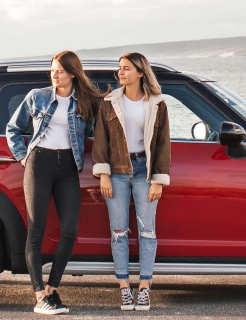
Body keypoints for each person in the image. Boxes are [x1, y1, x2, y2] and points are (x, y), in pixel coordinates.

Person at [6, 50, 103, 315]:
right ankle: (39, 295)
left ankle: (52, 288)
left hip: (68, 167)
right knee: (36, 230)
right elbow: (13, 128)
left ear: (73, 72)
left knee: (70, 229)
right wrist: (24, 157)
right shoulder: (37, 97)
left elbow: (92, 132)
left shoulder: (83, 102)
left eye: (59, 70)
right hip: (39, 163)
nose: (54, 74)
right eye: (52, 70)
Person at [92, 52, 171, 311]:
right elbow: (100, 140)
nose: (120, 73)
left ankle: (145, 287)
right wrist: (103, 174)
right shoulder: (109, 102)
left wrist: (158, 179)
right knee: (118, 232)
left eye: (126, 68)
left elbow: (163, 144)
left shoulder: (158, 104)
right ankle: (124, 288)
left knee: (147, 231)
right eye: (119, 69)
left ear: (140, 72)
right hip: (116, 171)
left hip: (144, 172)